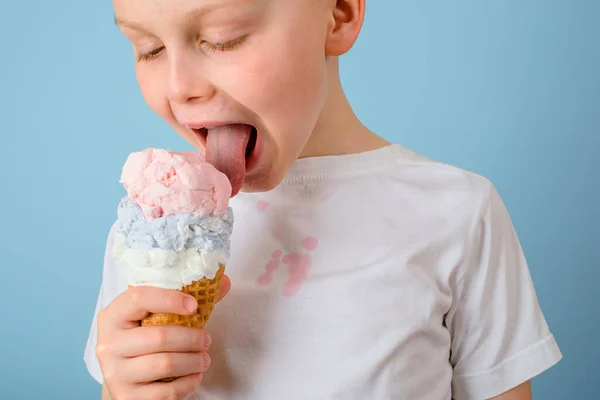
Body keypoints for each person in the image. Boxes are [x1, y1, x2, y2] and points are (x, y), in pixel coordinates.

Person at [84, 0, 562, 399]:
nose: (178, 87)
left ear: (338, 14)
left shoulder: (459, 211)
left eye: (223, 37)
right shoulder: (146, 232)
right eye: (148, 49)